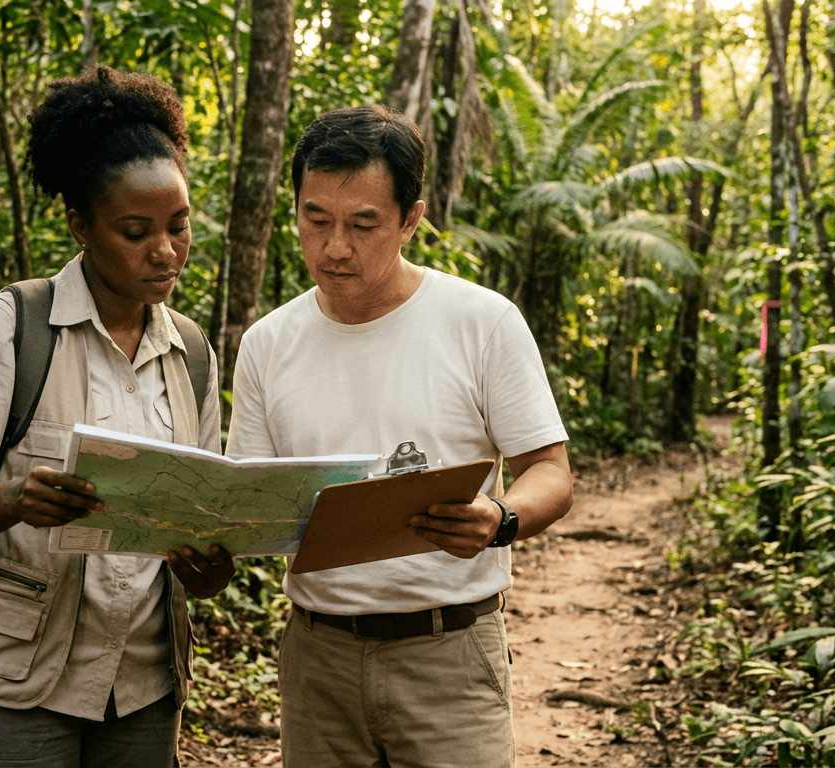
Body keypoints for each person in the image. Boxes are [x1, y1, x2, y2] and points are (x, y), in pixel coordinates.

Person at [226, 105, 575, 768]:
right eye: (315, 219)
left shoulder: (482, 323)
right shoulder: (268, 345)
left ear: (411, 219)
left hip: (448, 654)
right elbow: (247, 500)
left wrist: (500, 518)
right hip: (317, 657)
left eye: (363, 224)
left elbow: (551, 473)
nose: (334, 247)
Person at [0, 65, 234, 768]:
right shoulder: (10, 330)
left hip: (142, 692)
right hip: (9, 689)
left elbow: (202, 509)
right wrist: (9, 502)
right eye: (136, 230)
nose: (166, 250)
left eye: (179, 226)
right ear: (80, 226)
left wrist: (207, 568)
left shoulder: (194, 355)